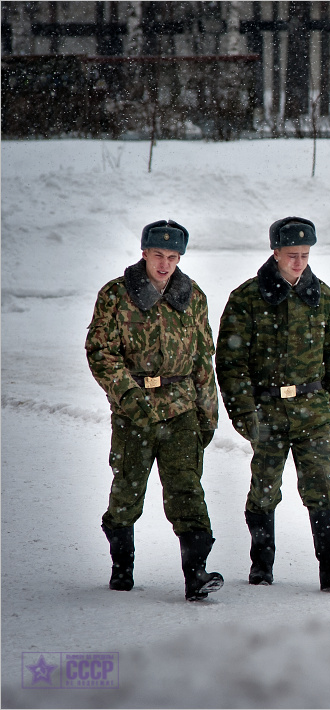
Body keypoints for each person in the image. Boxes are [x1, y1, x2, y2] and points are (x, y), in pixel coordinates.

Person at [216, 217, 330, 591]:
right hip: (266, 411)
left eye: (305, 255)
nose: (299, 263)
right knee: (265, 487)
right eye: (292, 255)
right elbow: (231, 365)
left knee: (320, 486)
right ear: (275, 252)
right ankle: (261, 565)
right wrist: (245, 415)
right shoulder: (247, 298)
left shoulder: (323, 297)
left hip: (312, 409)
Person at [86, 220, 223, 602]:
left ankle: (196, 575)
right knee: (127, 493)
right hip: (134, 410)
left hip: (181, 409)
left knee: (187, 492)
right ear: (144, 252)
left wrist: (207, 413)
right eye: (159, 255)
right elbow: (101, 352)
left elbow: (202, 358)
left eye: (173, 257)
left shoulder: (193, 296)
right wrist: (127, 397)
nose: (165, 265)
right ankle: (122, 569)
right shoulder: (116, 295)